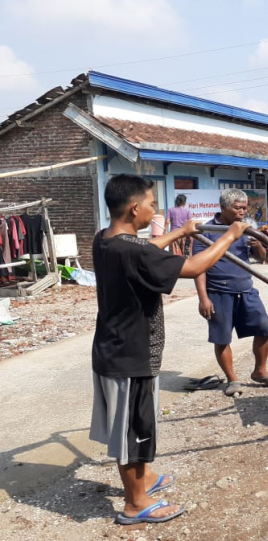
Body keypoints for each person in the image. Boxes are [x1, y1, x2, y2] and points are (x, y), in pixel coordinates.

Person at [90, 174, 249, 525]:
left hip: (115, 349)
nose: (154, 210)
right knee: (132, 431)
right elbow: (194, 267)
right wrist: (229, 235)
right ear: (134, 209)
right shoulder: (134, 251)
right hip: (129, 356)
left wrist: (181, 232)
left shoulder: (105, 240)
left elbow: (147, 250)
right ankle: (135, 504)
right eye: (150, 204)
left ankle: (142, 479)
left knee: (139, 423)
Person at [192, 189, 268, 397]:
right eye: (237, 208)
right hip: (218, 291)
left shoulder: (246, 228)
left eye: (244, 207)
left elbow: (260, 259)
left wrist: (258, 245)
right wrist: (203, 298)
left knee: (263, 329)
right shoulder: (206, 231)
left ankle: (260, 372)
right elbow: (198, 268)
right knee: (222, 338)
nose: (242, 212)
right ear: (223, 207)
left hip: (246, 289)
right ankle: (232, 380)